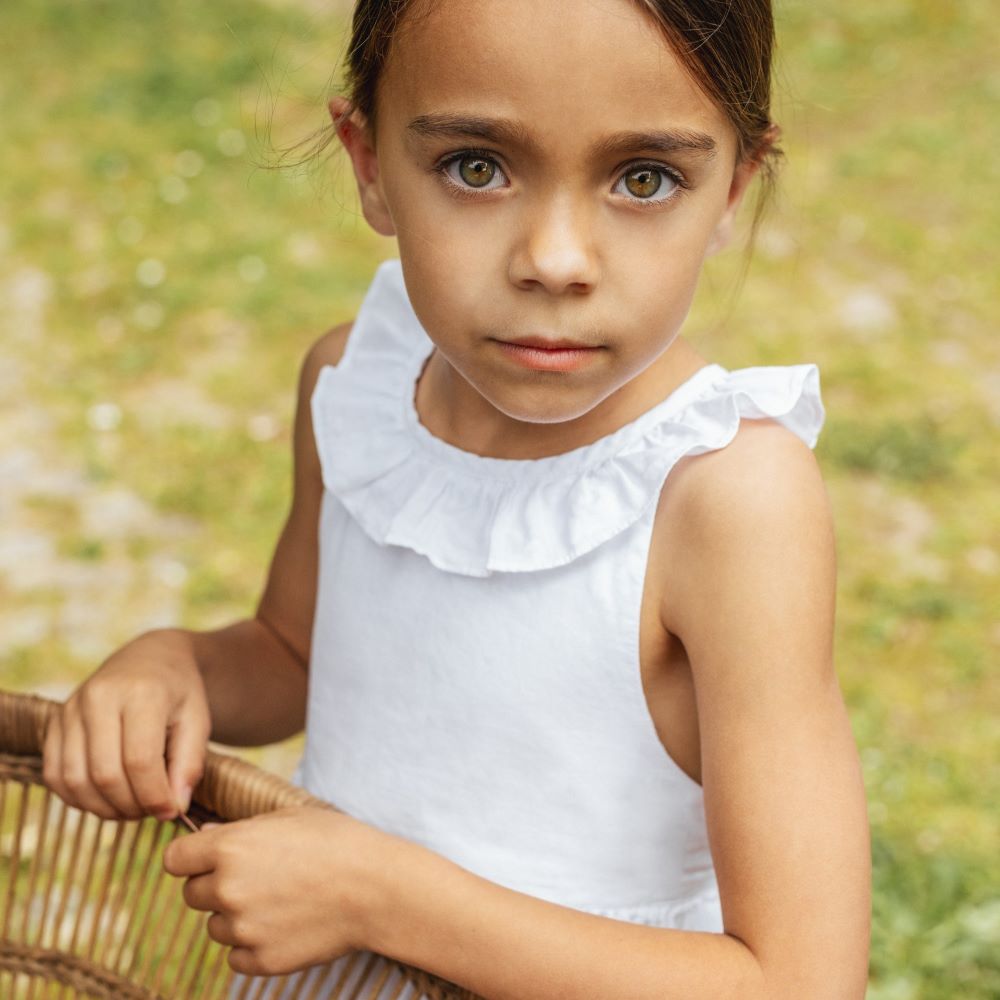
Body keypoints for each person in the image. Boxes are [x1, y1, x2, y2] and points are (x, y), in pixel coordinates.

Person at [41, 0, 871, 997]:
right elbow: (297, 653)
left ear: (732, 186)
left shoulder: (725, 499)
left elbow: (799, 981)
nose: (555, 261)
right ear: (369, 163)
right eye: (476, 167)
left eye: (644, 178)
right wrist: (177, 665)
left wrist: (384, 899)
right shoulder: (356, 388)